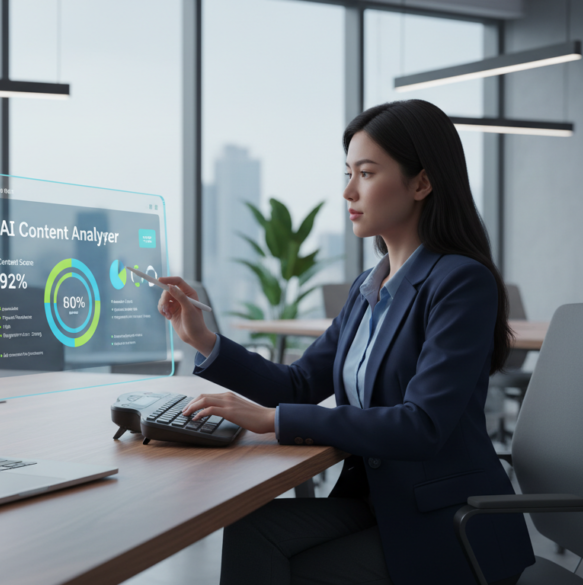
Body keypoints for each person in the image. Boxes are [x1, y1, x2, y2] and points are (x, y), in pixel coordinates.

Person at [157, 100, 534, 585]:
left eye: (367, 173)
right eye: (348, 172)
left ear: (422, 182)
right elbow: (298, 384)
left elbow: (421, 426)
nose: (348, 191)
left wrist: (274, 422)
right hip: (377, 501)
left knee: (301, 569)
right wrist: (204, 339)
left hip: (445, 518)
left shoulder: (461, 282)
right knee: (251, 528)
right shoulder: (367, 288)